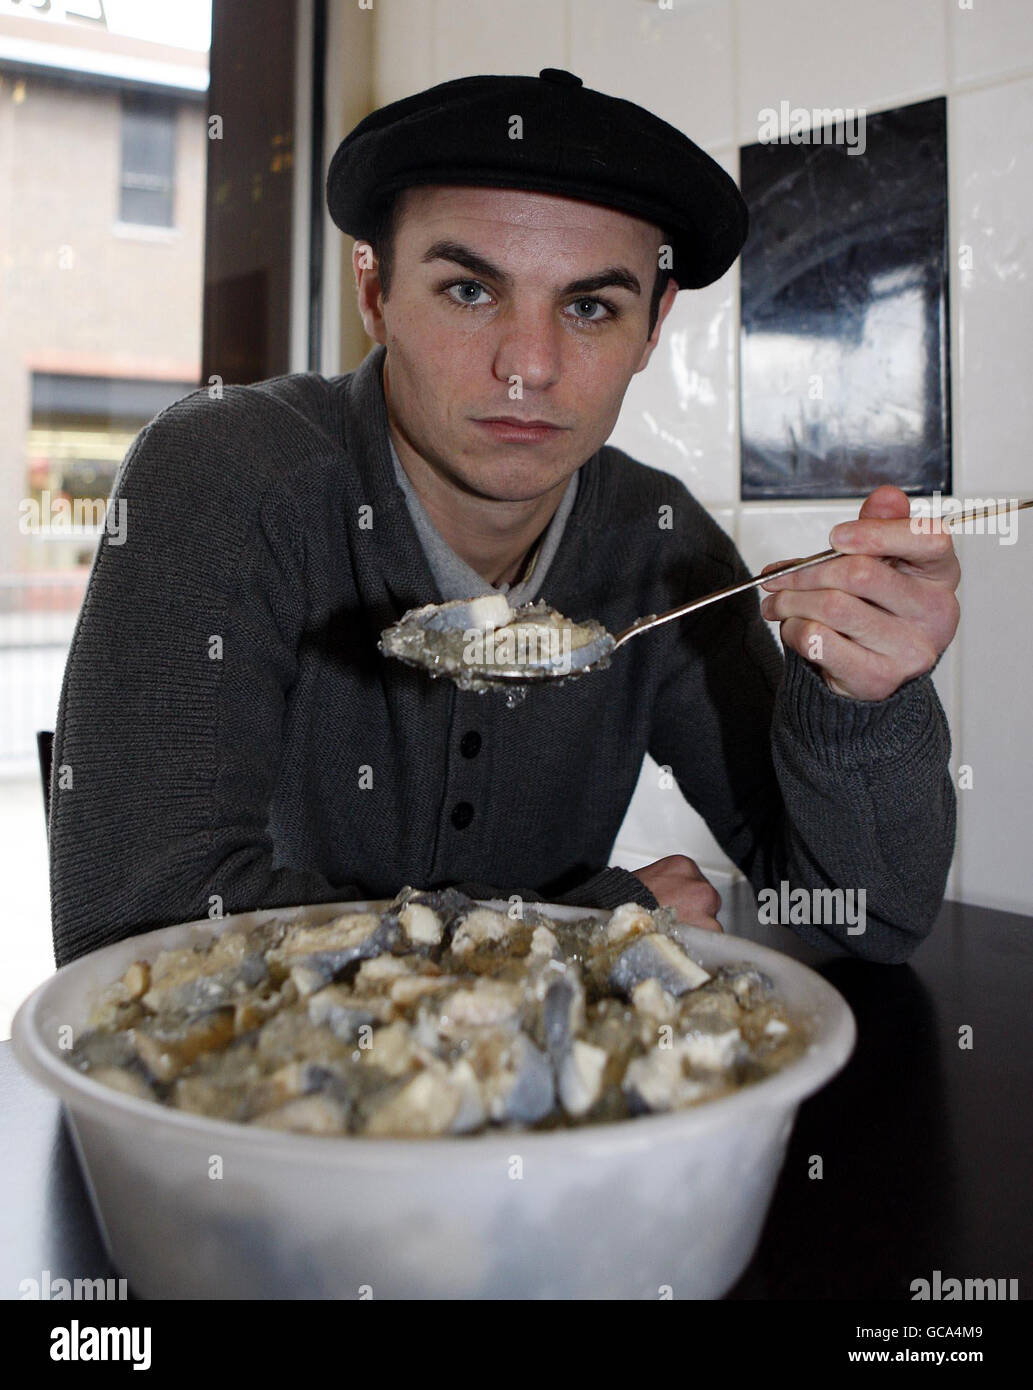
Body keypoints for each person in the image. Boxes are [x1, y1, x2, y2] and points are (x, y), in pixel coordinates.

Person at [48, 70, 959, 968]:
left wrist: (856, 700)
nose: (528, 365)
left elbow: (866, 917)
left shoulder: (657, 541)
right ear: (375, 294)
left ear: (652, 328)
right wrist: (571, 936)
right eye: (470, 291)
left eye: (591, 306)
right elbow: (135, 934)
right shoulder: (227, 477)